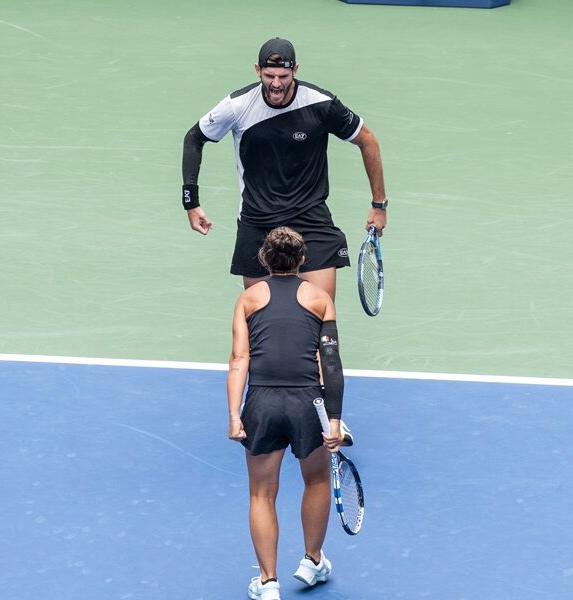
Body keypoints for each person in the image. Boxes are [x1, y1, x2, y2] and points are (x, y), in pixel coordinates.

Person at [181, 37, 388, 300]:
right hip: (258, 221)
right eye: (269, 76)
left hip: (310, 219)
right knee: (260, 318)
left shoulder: (321, 104)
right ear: (257, 70)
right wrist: (191, 202)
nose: (276, 84)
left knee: (320, 311)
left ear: (295, 70)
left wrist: (379, 205)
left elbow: (368, 140)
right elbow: (194, 138)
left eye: (283, 76)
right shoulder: (238, 106)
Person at [227, 227, 347, 600]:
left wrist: (234, 414)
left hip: (261, 405)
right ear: (303, 260)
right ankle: (312, 561)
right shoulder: (319, 299)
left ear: (264, 259)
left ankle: (268, 583)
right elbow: (331, 362)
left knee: (261, 494)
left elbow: (239, 359)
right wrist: (334, 418)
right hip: (308, 405)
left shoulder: (248, 299)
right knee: (317, 481)